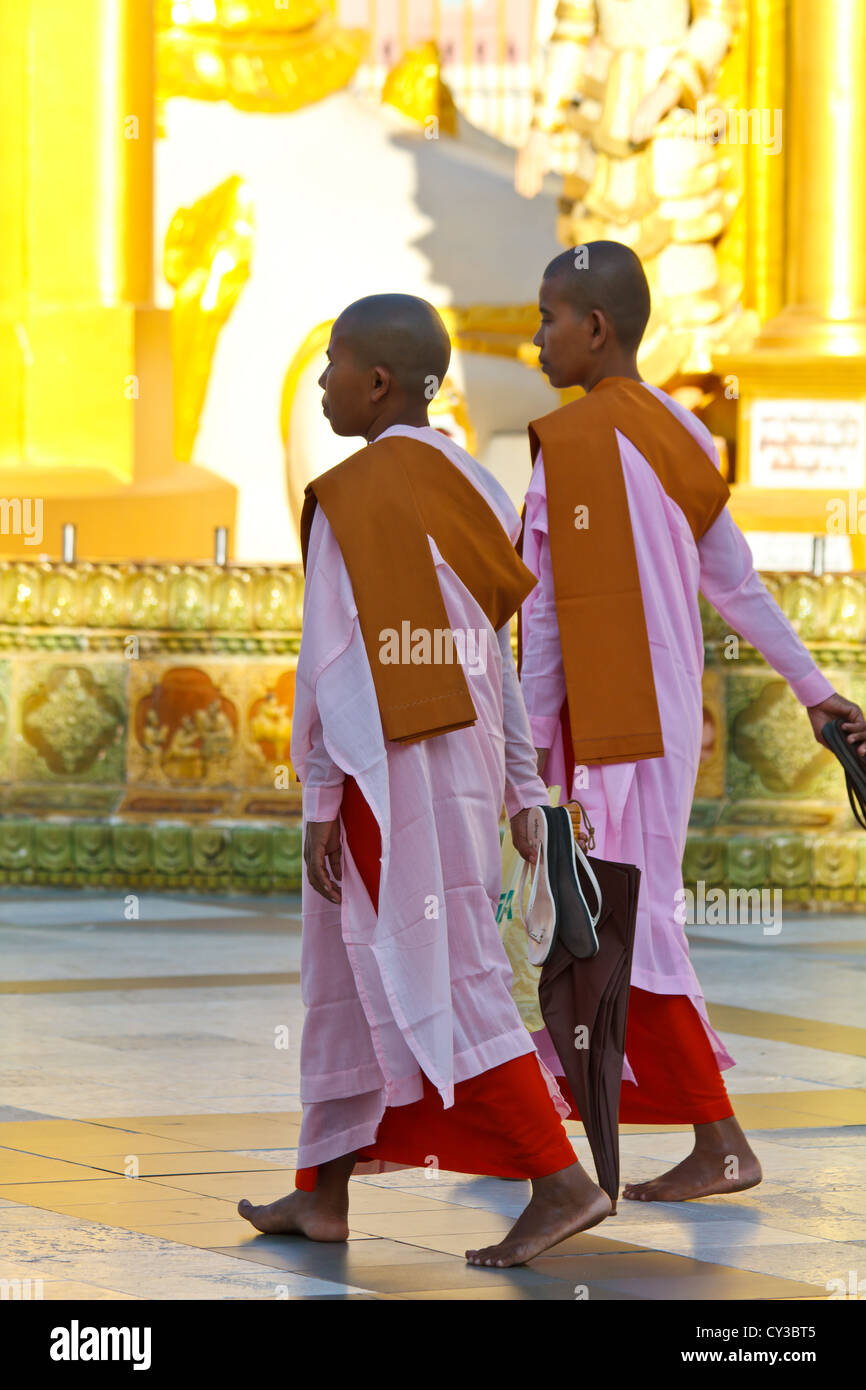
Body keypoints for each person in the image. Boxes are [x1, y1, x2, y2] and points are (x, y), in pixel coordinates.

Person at [238, 293, 611, 1267]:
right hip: (458, 763)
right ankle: (323, 1190)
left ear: (374, 381)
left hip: (378, 774)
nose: (319, 383)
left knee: (447, 974)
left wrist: (321, 800)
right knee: (350, 972)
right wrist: (521, 790)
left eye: (331, 366)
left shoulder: (349, 493)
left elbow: (326, 666)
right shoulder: (476, 483)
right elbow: (497, 652)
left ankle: (557, 1178)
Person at [520, 241, 866, 1203]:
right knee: (618, 911)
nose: (536, 337)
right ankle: (577, 1121)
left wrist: (531, 754)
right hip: (666, 717)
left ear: (595, 327)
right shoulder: (681, 429)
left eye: (549, 318)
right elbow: (738, 585)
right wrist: (813, 690)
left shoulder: (574, 442)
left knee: (624, 918)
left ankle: (718, 1141)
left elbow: (545, 619)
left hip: (603, 725)